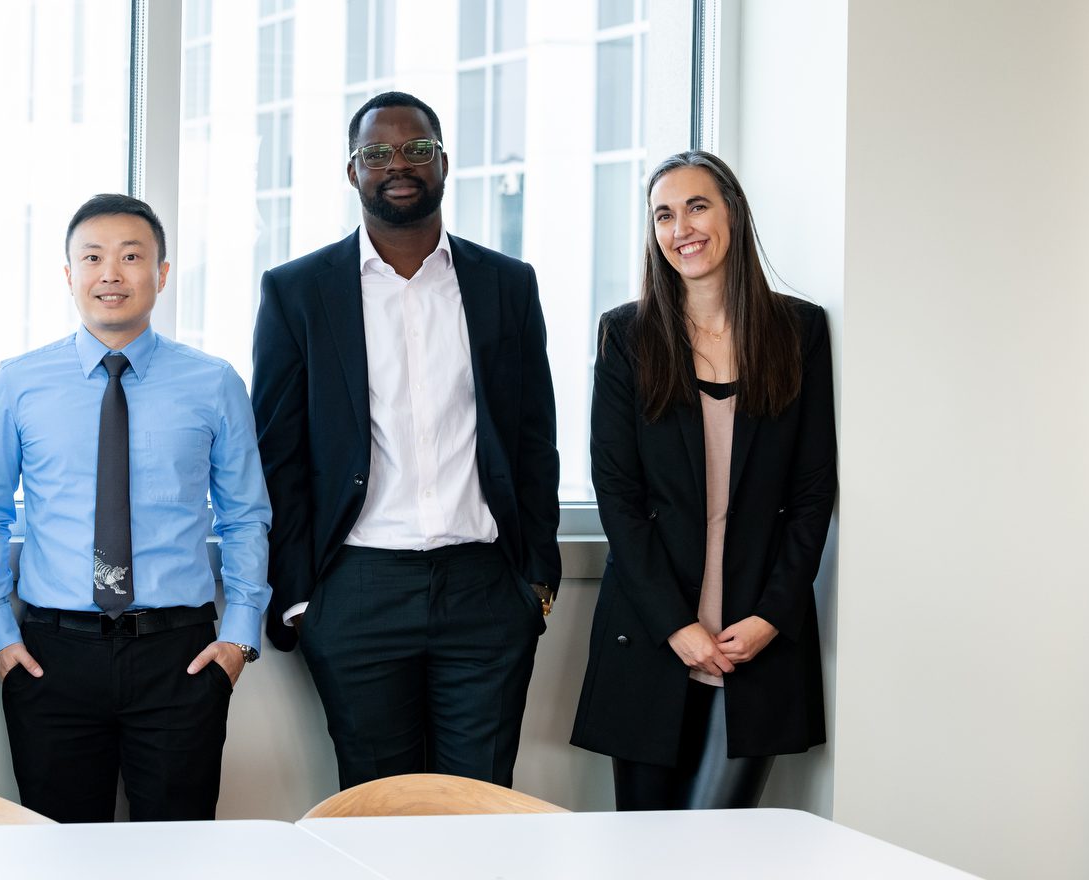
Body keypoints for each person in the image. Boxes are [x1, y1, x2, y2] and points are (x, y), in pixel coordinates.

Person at [252, 91, 561, 790]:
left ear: (443, 163)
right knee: (377, 807)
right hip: (356, 588)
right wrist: (303, 601)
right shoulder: (296, 292)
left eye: (417, 149)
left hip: (485, 588)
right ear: (352, 171)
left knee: (479, 804)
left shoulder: (507, 285)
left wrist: (535, 584)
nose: (398, 164)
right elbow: (278, 456)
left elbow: (534, 438)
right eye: (376, 153)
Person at [0, 194, 270, 822]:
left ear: (161, 273)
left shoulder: (214, 383)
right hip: (51, 658)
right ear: (68, 274)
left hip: (180, 656)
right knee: (62, 853)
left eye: (131, 257)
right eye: (92, 257)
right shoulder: (18, 383)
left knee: (178, 851)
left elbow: (245, 516)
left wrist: (239, 636)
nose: (111, 274)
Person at [571, 151, 836, 810]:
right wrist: (676, 625)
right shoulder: (627, 336)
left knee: (723, 844)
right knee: (644, 846)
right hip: (652, 637)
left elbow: (811, 492)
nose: (680, 228)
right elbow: (618, 496)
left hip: (757, 642)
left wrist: (772, 616)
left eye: (697, 207)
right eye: (664, 215)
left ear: (733, 215)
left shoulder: (798, 331)